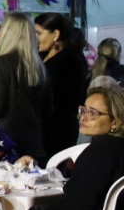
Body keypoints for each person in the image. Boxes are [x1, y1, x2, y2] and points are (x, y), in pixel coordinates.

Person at [0, 13, 51, 160]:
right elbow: (48, 110)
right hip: (34, 142)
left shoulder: (0, 64)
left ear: (7, 33)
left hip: (6, 144)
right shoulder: (39, 67)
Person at [35, 13, 89, 158]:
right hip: (44, 128)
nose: (35, 37)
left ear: (56, 34)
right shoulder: (42, 55)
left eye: (39, 33)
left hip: (58, 130)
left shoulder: (70, 60)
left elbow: (66, 99)